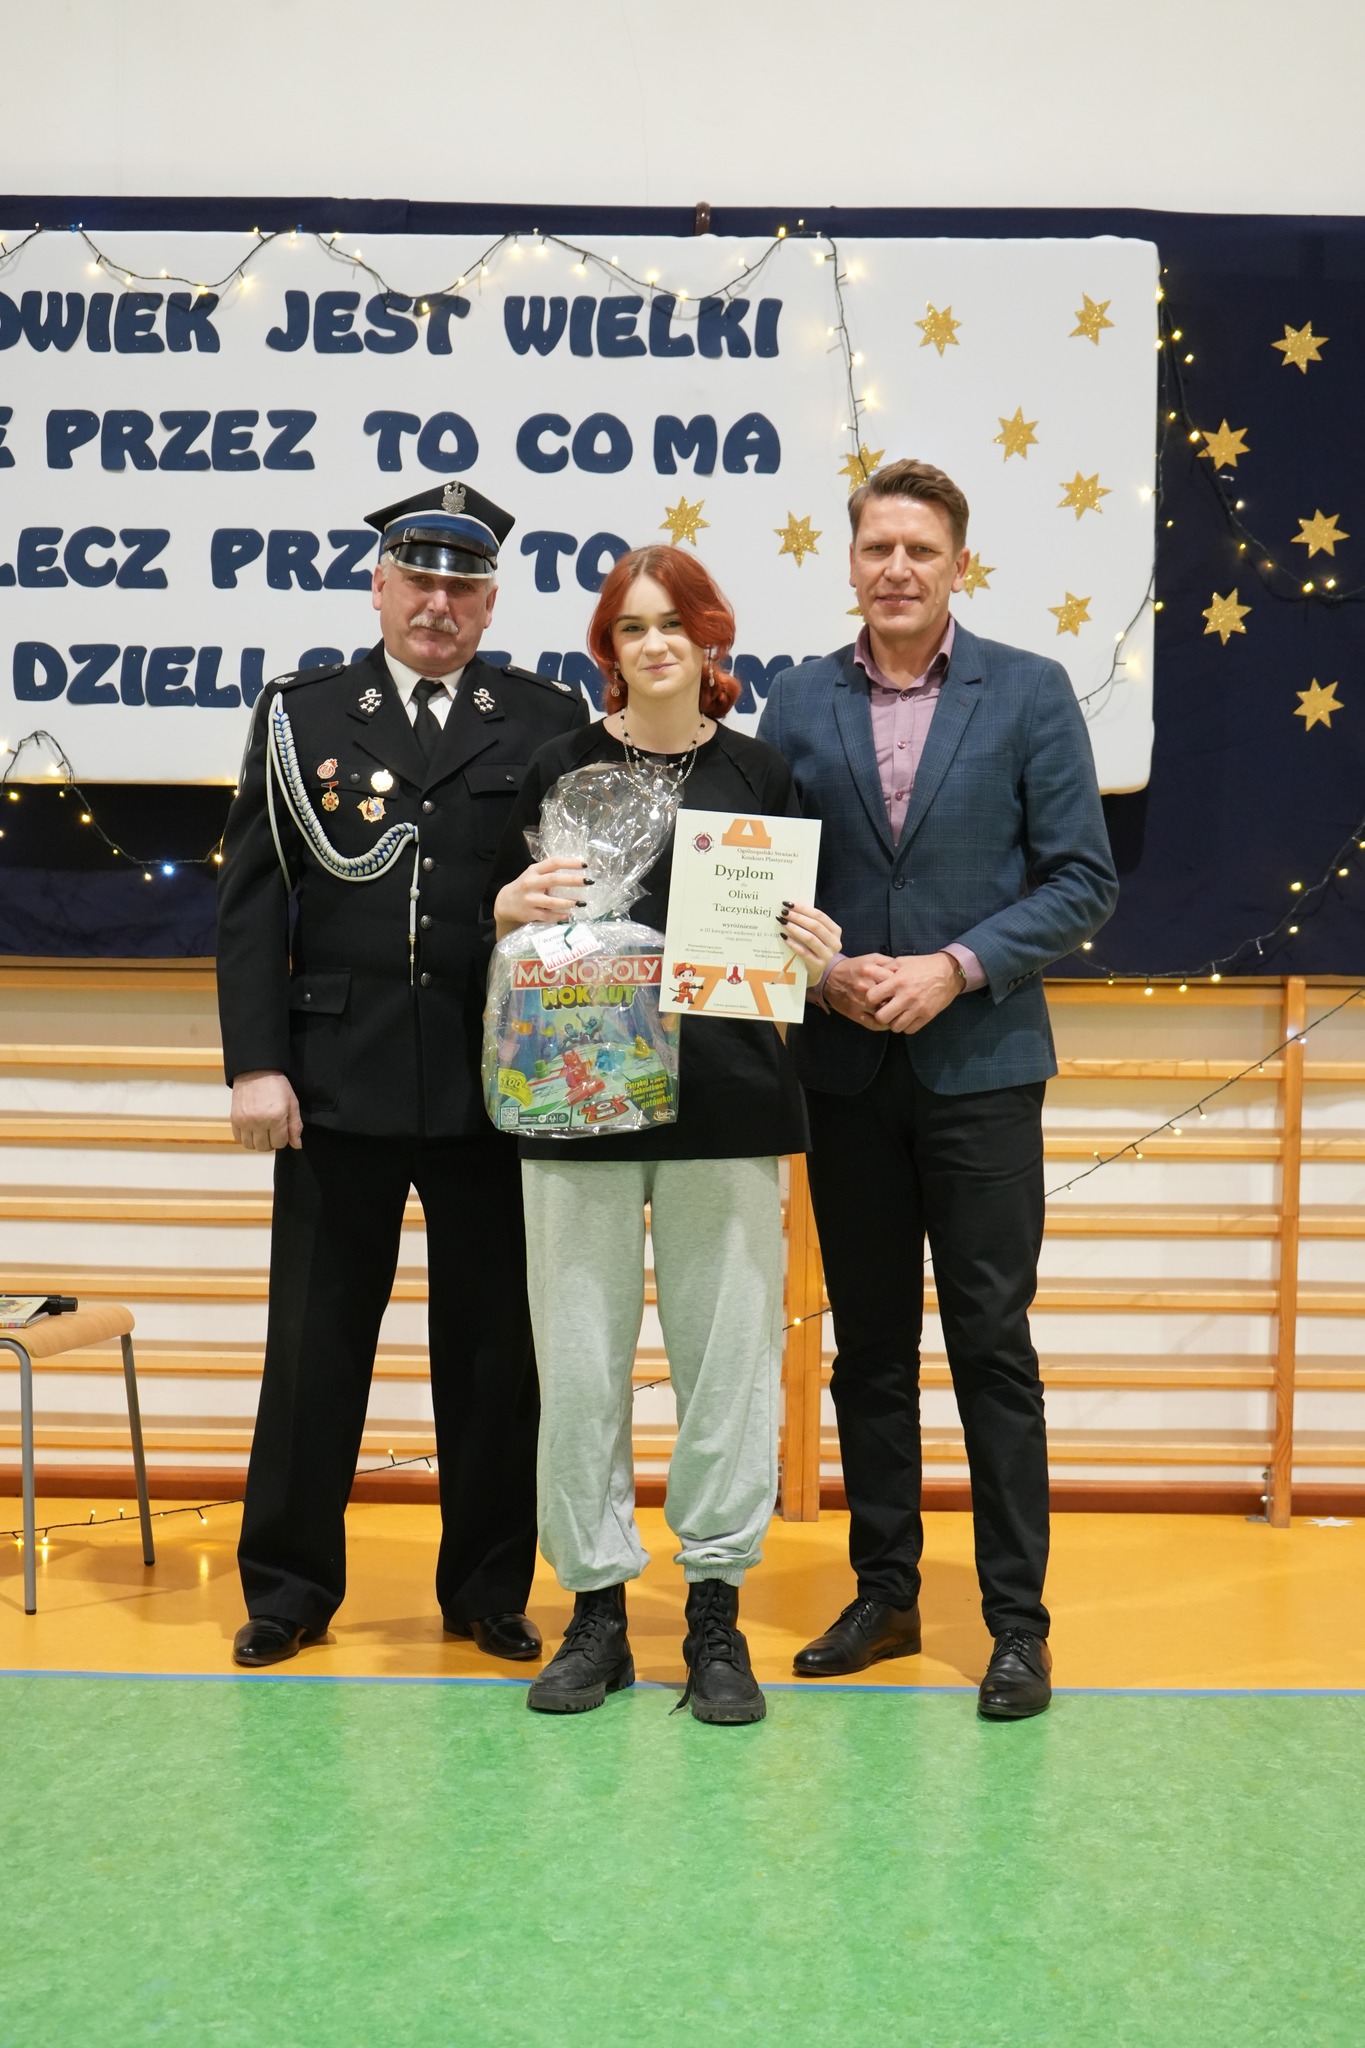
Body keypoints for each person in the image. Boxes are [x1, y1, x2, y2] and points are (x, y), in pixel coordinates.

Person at [758, 458, 1119, 1719]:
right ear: (850, 561)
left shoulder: (1028, 689)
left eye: (921, 549)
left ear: (960, 563)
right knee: (868, 1349)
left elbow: (1083, 880)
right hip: (845, 1071)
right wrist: (827, 975)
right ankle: (887, 1591)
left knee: (991, 1347)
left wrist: (955, 966)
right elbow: (762, 886)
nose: (898, 568)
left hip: (982, 1071)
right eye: (878, 548)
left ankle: (1018, 1622)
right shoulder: (796, 700)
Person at [217, 481, 588, 1668]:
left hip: (494, 1086)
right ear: (378, 587)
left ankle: (487, 1587)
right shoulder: (304, 714)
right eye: (418, 580)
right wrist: (257, 1063)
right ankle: (288, 1586)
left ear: (491, 602)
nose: (438, 604)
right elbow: (252, 903)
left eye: (461, 587)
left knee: (493, 1353)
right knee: (313, 1345)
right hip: (337, 1080)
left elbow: (574, 905)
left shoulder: (543, 719)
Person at [487, 545, 841, 1724]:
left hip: (729, 1102)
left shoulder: (762, 774)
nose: (653, 645)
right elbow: (514, 932)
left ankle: (714, 1612)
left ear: (708, 640)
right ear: (609, 648)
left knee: (727, 1363)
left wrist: (811, 948)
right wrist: (507, 909)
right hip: (576, 1095)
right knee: (579, 1362)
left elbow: (794, 937)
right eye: (630, 627)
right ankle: (595, 1611)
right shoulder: (558, 768)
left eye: (672, 624)